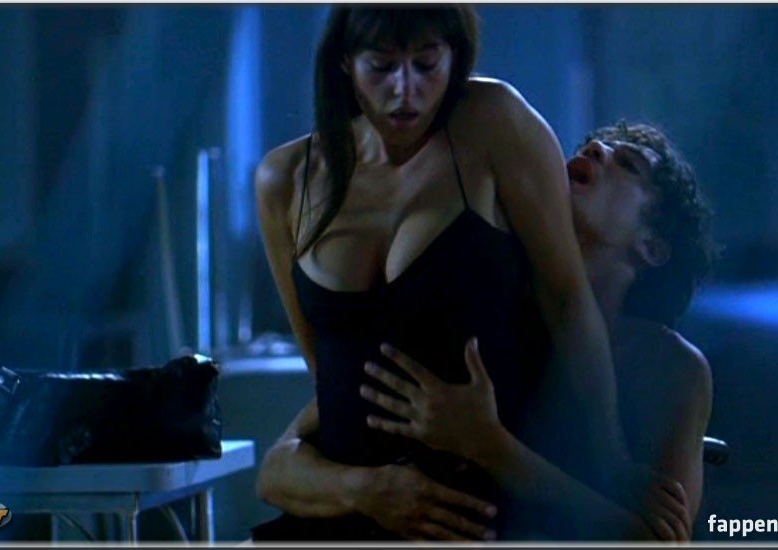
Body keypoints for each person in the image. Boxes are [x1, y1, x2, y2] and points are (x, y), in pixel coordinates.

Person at [253, 5, 668, 541]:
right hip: (346, 509)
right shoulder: (285, 179)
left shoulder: (492, 122)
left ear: (456, 58)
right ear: (345, 63)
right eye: (382, 66)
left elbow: (566, 298)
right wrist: (363, 488)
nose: (405, 91)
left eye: (427, 65)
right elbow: (328, 372)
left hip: (471, 508)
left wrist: (610, 459)